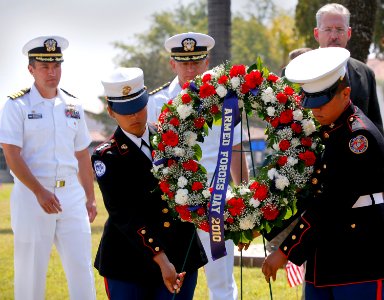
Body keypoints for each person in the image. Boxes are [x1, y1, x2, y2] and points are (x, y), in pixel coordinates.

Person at [261, 47, 384, 300]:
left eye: (323, 102)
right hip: (324, 255)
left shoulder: (358, 138)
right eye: (311, 102)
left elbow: (331, 204)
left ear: (346, 93)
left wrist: (285, 250)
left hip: (358, 260)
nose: (315, 110)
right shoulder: (329, 129)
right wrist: (262, 225)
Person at [147, 32, 249, 300]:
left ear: (207, 63)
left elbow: (236, 150)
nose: (190, 69)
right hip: (172, 206)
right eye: (184, 63)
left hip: (216, 204)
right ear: (172, 64)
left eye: (196, 62)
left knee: (222, 283)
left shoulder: (226, 100)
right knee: (174, 283)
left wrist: (244, 197)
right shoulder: (156, 103)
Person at [92, 67, 208, 299]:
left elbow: (193, 188)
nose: (135, 116)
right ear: (111, 111)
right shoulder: (107, 156)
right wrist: (161, 259)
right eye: (126, 111)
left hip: (180, 250)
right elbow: (123, 214)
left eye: (139, 107)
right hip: (129, 261)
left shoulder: (170, 138)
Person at [0, 35, 97, 300]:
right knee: (30, 274)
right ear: (31, 69)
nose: (51, 72)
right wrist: (39, 191)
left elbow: (82, 155)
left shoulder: (74, 106)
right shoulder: (16, 105)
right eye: (44, 66)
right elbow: (11, 154)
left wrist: (89, 197)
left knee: (81, 270)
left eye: (56, 65)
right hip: (33, 197)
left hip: (71, 197)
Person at [314, 3, 383, 134]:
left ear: (349, 33)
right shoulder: (297, 72)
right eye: (328, 29)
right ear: (316, 34)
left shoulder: (366, 73)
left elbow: (376, 125)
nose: (334, 36)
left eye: (340, 29)